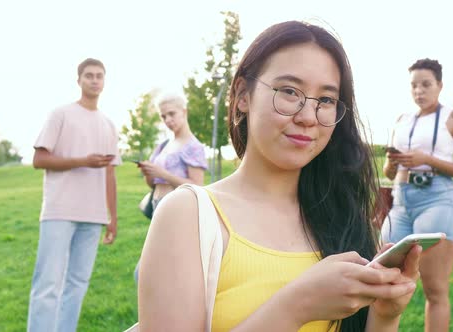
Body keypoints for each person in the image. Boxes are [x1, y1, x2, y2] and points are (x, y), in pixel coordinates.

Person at [138, 21, 422, 332]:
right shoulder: (187, 215)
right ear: (243, 95)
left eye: (325, 100)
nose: (307, 117)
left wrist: (384, 314)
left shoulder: (340, 217)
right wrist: (298, 305)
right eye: (289, 91)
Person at [382, 58, 453, 332]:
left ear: (440, 85)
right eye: (414, 86)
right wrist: (392, 163)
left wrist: (428, 159)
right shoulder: (402, 120)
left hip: (438, 199)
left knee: (434, 290)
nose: (419, 91)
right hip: (401, 201)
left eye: (426, 85)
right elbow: (389, 173)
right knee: (381, 279)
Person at [27, 58, 121, 332]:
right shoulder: (61, 114)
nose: (94, 80)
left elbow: (110, 174)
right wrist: (82, 161)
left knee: (77, 285)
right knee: (48, 285)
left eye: (99, 76)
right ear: (78, 80)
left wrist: (112, 217)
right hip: (59, 210)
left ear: (104, 81)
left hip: (93, 216)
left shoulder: (109, 125)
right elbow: (39, 159)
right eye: (89, 75)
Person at [133, 92, 208, 282]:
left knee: (148, 272)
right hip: (158, 207)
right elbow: (153, 184)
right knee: (153, 271)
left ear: (184, 112)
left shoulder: (193, 146)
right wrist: (148, 173)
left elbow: (198, 186)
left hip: (177, 211)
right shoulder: (163, 145)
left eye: (172, 114)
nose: (167, 120)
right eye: (163, 116)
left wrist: (162, 174)